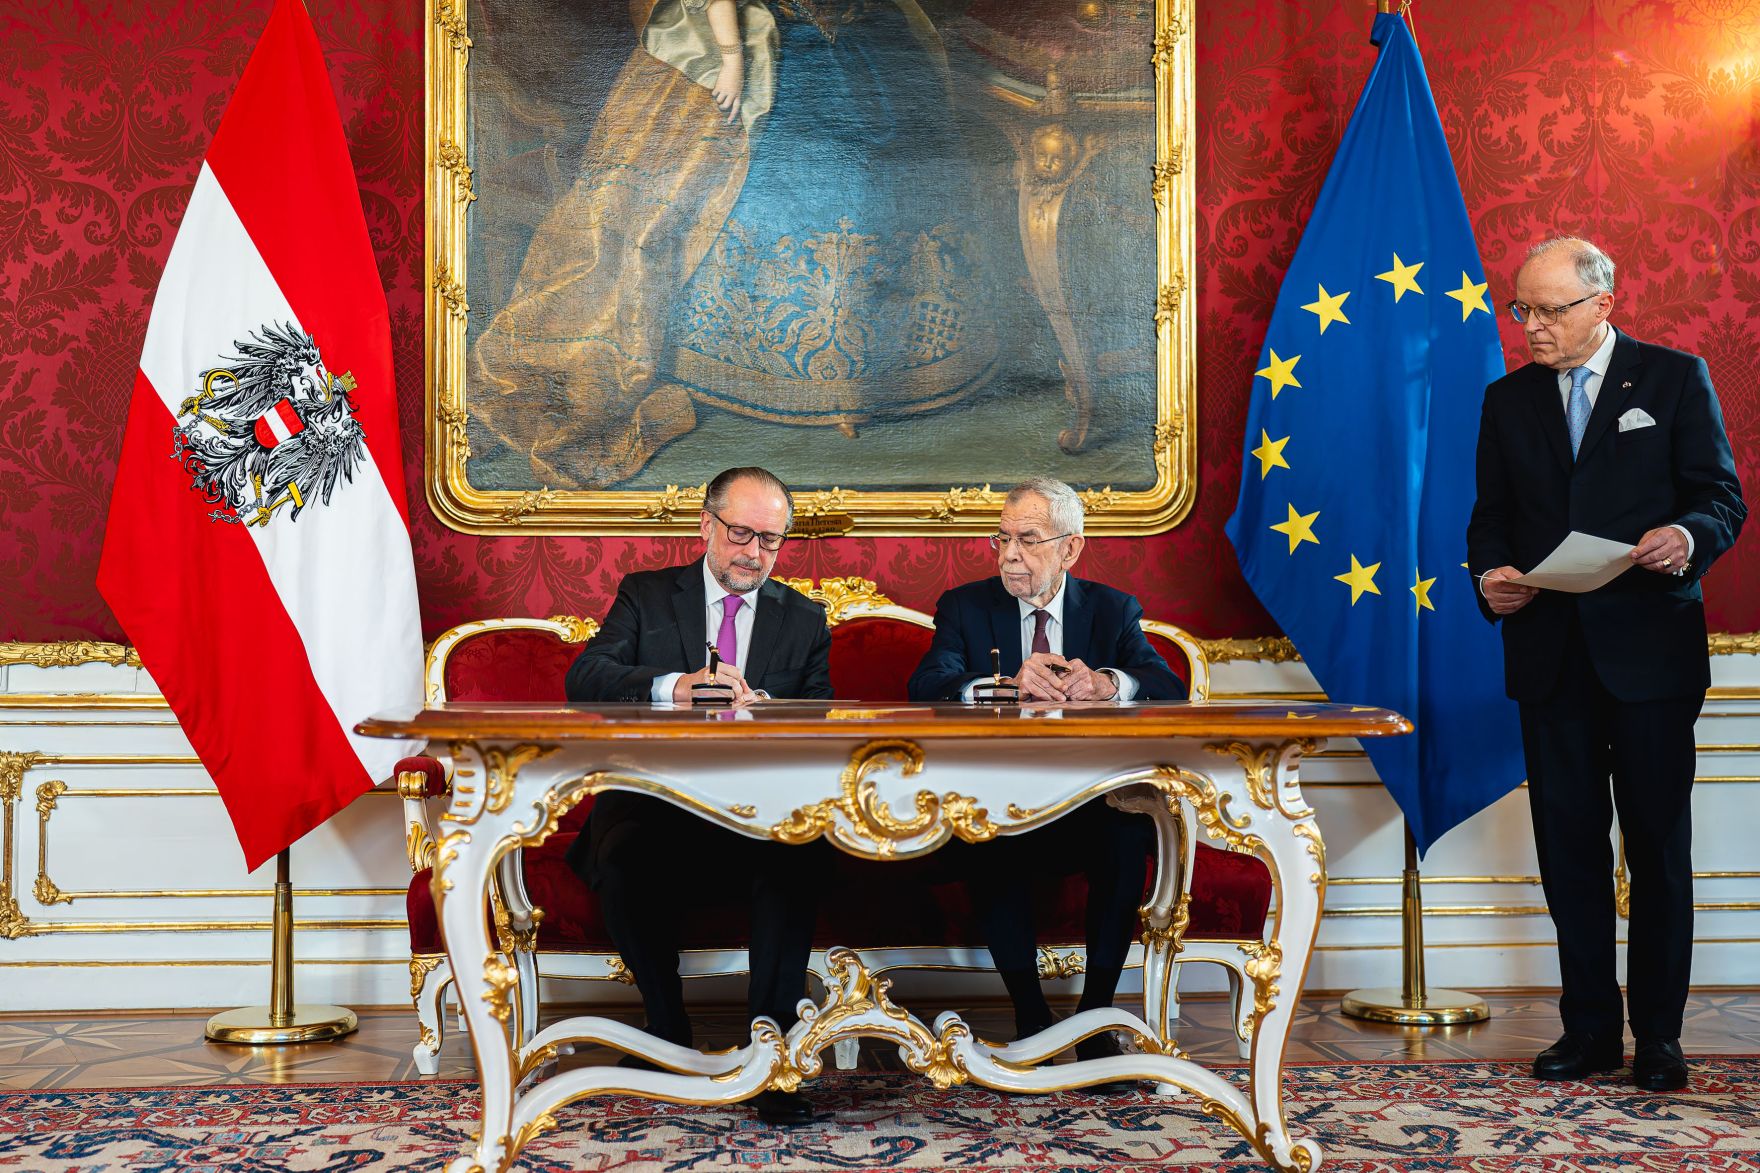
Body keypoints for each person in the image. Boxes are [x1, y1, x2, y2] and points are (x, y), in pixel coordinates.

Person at [1467, 237, 1745, 1092]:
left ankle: (1659, 1036)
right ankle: (1587, 1028)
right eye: (1523, 308)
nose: (1531, 326)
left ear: (1603, 305)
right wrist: (1489, 577)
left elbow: (1720, 498)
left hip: (1650, 655)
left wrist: (1686, 536)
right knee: (1570, 849)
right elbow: (1490, 518)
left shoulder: (1674, 378)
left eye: (1550, 310)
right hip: (1550, 656)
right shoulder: (1508, 399)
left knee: (1656, 846)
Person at [564, 466, 832, 1125]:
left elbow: (822, 718)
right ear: (706, 525)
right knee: (621, 853)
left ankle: (772, 1055)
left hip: (760, 809)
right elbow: (586, 676)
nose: (754, 553)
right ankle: (667, 1032)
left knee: (798, 853)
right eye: (741, 533)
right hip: (657, 802)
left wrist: (770, 709)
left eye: (770, 539)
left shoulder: (804, 618)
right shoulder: (648, 595)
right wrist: (674, 687)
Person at [907, 476, 1183, 1088]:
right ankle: (1031, 1016)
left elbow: (1167, 685)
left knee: (1127, 835)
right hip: (997, 799)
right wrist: (1003, 687)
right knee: (987, 836)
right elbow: (927, 685)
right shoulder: (965, 607)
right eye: (1002, 539)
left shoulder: (1111, 609)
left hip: (1088, 804)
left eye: (1027, 540)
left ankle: (1094, 1018)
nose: (1009, 555)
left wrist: (1108, 684)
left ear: (1070, 548)